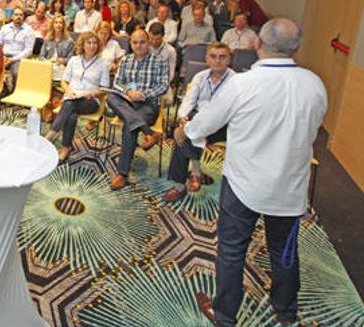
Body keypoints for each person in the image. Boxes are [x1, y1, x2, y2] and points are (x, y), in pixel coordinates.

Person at [180, 19, 327, 327]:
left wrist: (187, 131)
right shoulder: (315, 84)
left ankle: (224, 315)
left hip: (244, 184)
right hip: (289, 187)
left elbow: (205, 123)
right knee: (284, 252)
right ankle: (285, 311)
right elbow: (311, 133)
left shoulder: (242, 84)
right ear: (297, 48)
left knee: (232, 252)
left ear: (258, 43)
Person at [161, 43, 235, 203]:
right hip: (198, 117)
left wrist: (189, 127)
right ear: (207, 58)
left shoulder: (235, 81)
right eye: (213, 56)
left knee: (183, 135)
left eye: (222, 57)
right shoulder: (200, 76)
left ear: (229, 59)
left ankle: (187, 179)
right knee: (185, 131)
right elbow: (189, 99)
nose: (217, 61)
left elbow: (223, 112)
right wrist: (182, 117)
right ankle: (192, 175)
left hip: (222, 124)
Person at [107, 30, 169, 190]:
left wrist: (143, 95)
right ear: (131, 44)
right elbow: (117, 83)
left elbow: (163, 85)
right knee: (110, 97)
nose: (138, 45)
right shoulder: (126, 60)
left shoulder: (160, 60)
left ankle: (122, 173)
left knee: (130, 126)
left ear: (148, 42)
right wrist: (129, 92)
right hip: (128, 101)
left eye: (142, 42)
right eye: (135, 42)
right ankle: (148, 132)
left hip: (148, 104)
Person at [44, 31, 109, 161]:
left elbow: (104, 89)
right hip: (72, 97)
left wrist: (93, 93)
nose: (92, 46)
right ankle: (66, 147)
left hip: (90, 101)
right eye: (89, 42)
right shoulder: (74, 60)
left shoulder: (102, 64)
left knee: (69, 105)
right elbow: (64, 82)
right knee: (71, 113)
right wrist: (68, 91)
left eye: (95, 43)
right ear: (82, 45)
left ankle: (49, 137)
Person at [0, 7, 35, 83]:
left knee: (17, 73)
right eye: (16, 14)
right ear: (12, 16)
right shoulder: (4, 28)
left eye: (21, 15)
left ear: (23, 17)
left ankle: (14, 92)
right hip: (3, 56)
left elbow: (28, 50)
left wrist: (13, 59)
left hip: (18, 59)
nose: (18, 17)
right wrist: (1, 56)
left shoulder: (29, 30)